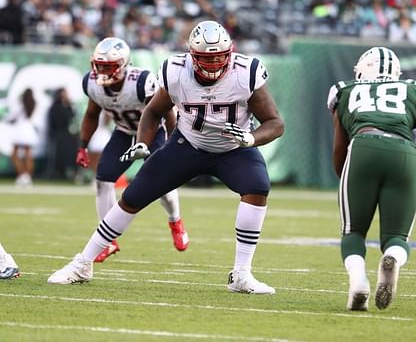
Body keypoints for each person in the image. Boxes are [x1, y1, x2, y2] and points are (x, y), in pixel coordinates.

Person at [48, 21, 284, 294]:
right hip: (188, 144)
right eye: (207, 58)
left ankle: (242, 274)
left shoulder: (246, 72)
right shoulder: (175, 71)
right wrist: (143, 143)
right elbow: (152, 112)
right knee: (133, 197)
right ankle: (83, 263)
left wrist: (251, 139)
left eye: (220, 56)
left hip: (234, 147)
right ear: (193, 56)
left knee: (257, 187)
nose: (214, 62)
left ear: (230, 52)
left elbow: (275, 122)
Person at [327, 47, 416, 311]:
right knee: (397, 236)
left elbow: (339, 150)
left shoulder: (345, 90)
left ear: (362, 68)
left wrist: (348, 181)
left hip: (361, 147)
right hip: (402, 152)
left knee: (353, 232)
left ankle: (359, 283)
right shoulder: (410, 90)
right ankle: (392, 256)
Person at [73, 37, 189, 263]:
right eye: (99, 65)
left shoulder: (141, 81)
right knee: (103, 177)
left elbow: (165, 111)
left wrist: (173, 139)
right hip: (125, 132)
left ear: (124, 65)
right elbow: (90, 115)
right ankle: (107, 241)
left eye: (109, 66)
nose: (103, 71)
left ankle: (175, 220)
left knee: (161, 182)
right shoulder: (92, 83)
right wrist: (83, 146)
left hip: (155, 132)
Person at [46, 87, 78, 180]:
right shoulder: (54, 107)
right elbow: (56, 121)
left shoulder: (69, 106)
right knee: (58, 156)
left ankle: (70, 172)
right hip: (58, 134)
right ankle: (58, 173)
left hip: (68, 136)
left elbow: (72, 116)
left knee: (70, 154)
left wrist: (68, 104)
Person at [9, 88, 38, 187]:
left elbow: (12, 117)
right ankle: (27, 176)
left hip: (20, 130)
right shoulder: (34, 104)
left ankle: (22, 175)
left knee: (14, 154)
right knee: (28, 155)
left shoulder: (20, 105)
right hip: (29, 130)